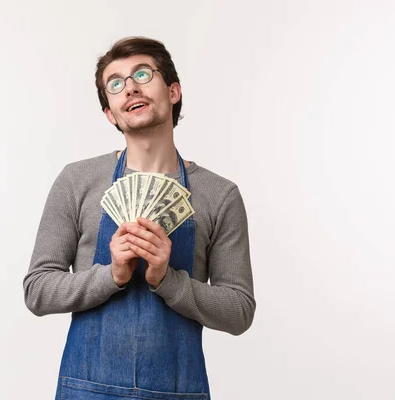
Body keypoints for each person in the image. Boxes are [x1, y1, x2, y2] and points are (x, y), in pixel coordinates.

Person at [23, 36, 256, 400]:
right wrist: (110, 276)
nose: (130, 87)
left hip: (178, 393)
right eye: (115, 84)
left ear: (173, 91)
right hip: (86, 390)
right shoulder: (77, 181)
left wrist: (168, 280)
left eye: (143, 74)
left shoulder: (219, 194)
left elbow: (240, 311)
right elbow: (37, 290)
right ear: (110, 113)